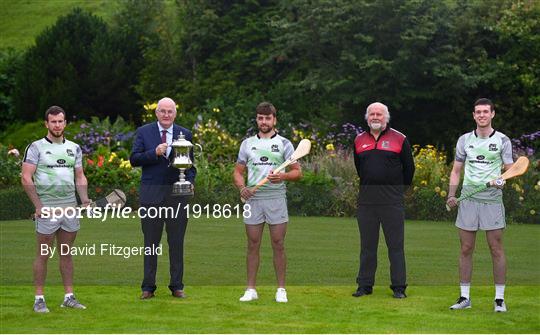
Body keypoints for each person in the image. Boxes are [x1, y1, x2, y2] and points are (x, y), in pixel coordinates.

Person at [446, 98, 514, 312]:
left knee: (496, 249)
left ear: (492, 114)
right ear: (474, 115)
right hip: (468, 197)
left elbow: (511, 170)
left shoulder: (503, 140)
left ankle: (499, 300)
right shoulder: (465, 140)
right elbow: (456, 170)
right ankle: (465, 298)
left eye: (486, 111)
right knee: (466, 248)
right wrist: (451, 194)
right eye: (478, 112)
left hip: (492, 199)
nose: (482, 115)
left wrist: (502, 180)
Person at [22, 106, 90, 313]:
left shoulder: (74, 148)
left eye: (60, 121)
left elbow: (79, 176)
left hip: (69, 208)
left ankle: (69, 297)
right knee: (43, 254)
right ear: (47, 124)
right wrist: (39, 207)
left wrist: (85, 199)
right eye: (53, 121)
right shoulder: (35, 148)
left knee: (66, 254)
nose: (57, 125)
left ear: (65, 123)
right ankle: (39, 299)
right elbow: (26, 177)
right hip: (47, 210)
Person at [233, 102, 302, 303]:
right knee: (252, 244)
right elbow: (238, 172)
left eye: (268, 118)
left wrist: (283, 177)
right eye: (261, 118)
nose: (264, 122)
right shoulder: (247, 144)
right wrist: (242, 188)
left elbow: (298, 172)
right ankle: (250, 289)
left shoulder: (284, 143)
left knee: (278, 244)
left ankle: (281, 289)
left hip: (276, 199)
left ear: (274, 119)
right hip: (254, 200)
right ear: (257, 119)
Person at [130, 97, 196, 299]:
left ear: (175, 114)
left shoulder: (185, 133)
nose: (166, 115)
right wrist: (153, 152)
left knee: (176, 242)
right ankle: (148, 287)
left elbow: (190, 165)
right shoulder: (144, 132)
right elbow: (134, 159)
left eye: (170, 111)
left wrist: (190, 181)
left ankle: (177, 286)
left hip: (177, 196)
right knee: (151, 243)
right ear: (156, 113)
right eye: (163, 111)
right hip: (151, 196)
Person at [352, 102, 415, 299]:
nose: (375, 117)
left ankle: (398, 287)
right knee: (367, 246)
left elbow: (409, 169)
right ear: (367, 117)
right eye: (372, 114)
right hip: (367, 203)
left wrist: (396, 191)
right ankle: (364, 286)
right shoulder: (359, 140)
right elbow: (359, 169)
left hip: (392, 202)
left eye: (379, 114)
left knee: (395, 246)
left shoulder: (399, 138)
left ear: (386, 118)